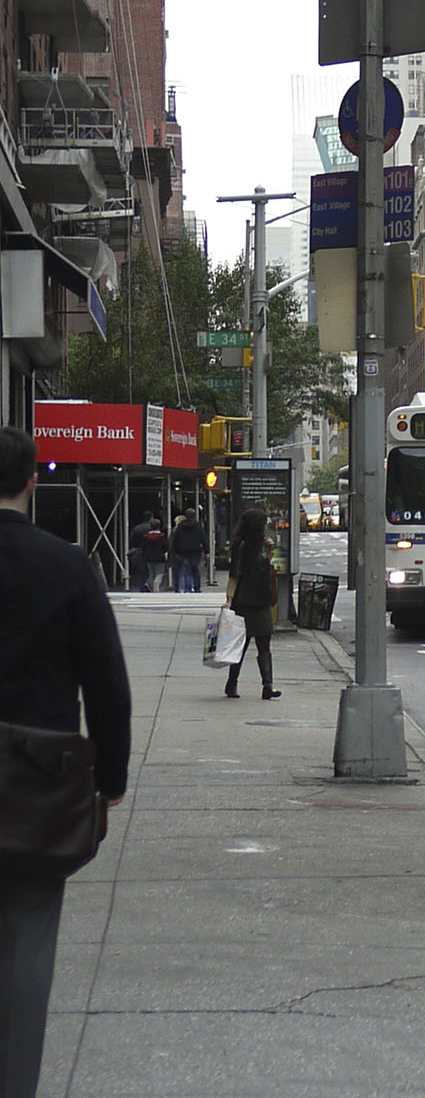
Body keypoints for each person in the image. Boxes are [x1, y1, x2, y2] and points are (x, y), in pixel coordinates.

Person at [0, 424, 131, 1098]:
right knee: (26, 940)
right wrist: (109, 777)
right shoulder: (66, 564)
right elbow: (106, 680)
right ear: (32, 481)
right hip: (35, 785)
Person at [223, 509, 281, 701]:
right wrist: (229, 599)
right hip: (245, 601)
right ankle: (232, 683)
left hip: (260, 599)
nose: (266, 527)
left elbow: (264, 568)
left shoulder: (262, 545)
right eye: (263, 524)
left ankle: (267, 685)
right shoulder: (242, 545)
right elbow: (235, 574)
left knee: (264, 645)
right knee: (242, 645)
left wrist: (269, 551)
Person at [169, 509, 207, 593]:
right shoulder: (197, 526)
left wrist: (176, 552)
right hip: (196, 551)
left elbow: (176, 539)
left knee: (186, 570)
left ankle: (188, 587)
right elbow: (203, 538)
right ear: (195, 515)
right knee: (196, 569)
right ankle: (197, 587)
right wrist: (206, 551)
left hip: (183, 551)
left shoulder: (180, 526)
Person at [137, 514, 169, 592]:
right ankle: (156, 582)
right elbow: (166, 546)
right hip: (159, 557)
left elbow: (142, 547)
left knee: (151, 573)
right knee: (160, 572)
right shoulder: (162, 536)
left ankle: (149, 583)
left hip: (148, 557)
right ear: (159, 526)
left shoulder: (145, 537)